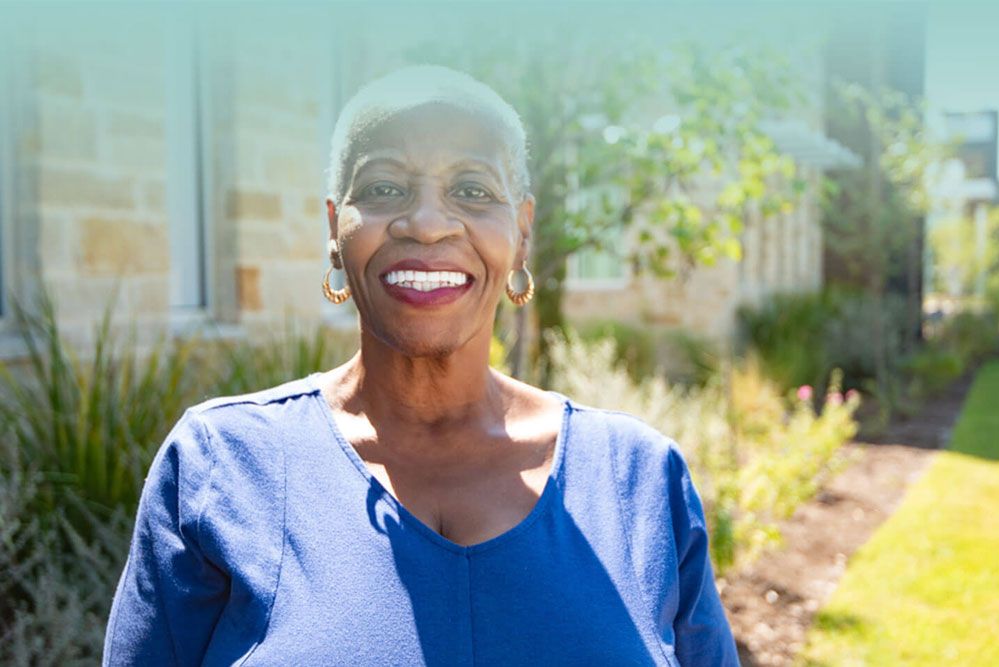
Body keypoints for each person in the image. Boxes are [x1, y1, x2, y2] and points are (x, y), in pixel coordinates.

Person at [102, 65, 738, 666]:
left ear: (521, 232)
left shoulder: (637, 481)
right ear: (335, 225)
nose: (429, 224)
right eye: (384, 188)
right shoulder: (222, 466)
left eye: (471, 189)